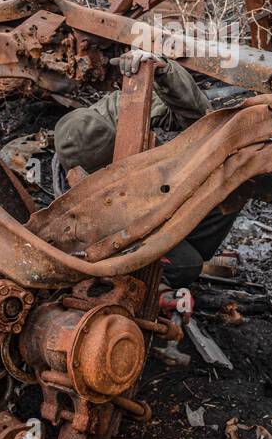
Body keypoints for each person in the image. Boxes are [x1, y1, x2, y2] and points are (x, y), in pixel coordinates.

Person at [53, 48, 236, 288]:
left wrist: (164, 71)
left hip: (150, 188)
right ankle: (150, 285)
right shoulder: (64, 173)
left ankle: (187, 243)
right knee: (185, 266)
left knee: (229, 187)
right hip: (115, 220)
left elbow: (197, 114)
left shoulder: (114, 112)